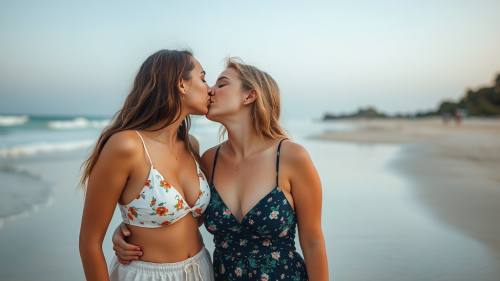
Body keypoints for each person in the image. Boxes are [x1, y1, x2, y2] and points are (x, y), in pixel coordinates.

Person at [113, 57, 329, 281]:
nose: (210, 91)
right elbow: (182, 215)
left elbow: (313, 241)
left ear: (250, 96)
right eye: (209, 83)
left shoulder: (291, 157)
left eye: (221, 84)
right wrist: (128, 229)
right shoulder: (209, 160)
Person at [79, 49, 214, 281]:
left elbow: (191, 219)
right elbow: (89, 242)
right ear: (181, 84)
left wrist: (125, 228)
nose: (209, 88)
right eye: (202, 78)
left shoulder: (192, 145)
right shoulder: (126, 146)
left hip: (200, 270)